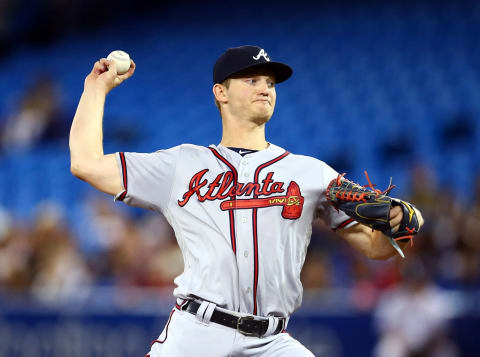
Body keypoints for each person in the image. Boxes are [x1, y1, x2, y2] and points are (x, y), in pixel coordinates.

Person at [69, 45, 424, 356]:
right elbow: (86, 163)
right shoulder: (181, 165)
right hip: (197, 333)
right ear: (220, 93)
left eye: (270, 83)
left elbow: (376, 248)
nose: (265, 89)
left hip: (272, 340)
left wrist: (406, 224)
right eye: (252, 80)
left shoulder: (311, 174)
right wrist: (95, 89)